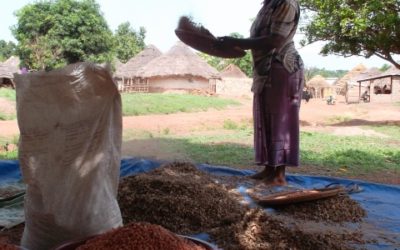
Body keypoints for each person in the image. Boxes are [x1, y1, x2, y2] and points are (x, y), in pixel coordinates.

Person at [216, 0, 304, 185]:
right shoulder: (268, 5)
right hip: (266, 68)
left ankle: (279, 174)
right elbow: (261, 38)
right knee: (266, 118)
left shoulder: (286, 3)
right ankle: (269, 169)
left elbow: (276, 39)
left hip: (282, 67)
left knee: (280, 120)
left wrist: (237, 41)